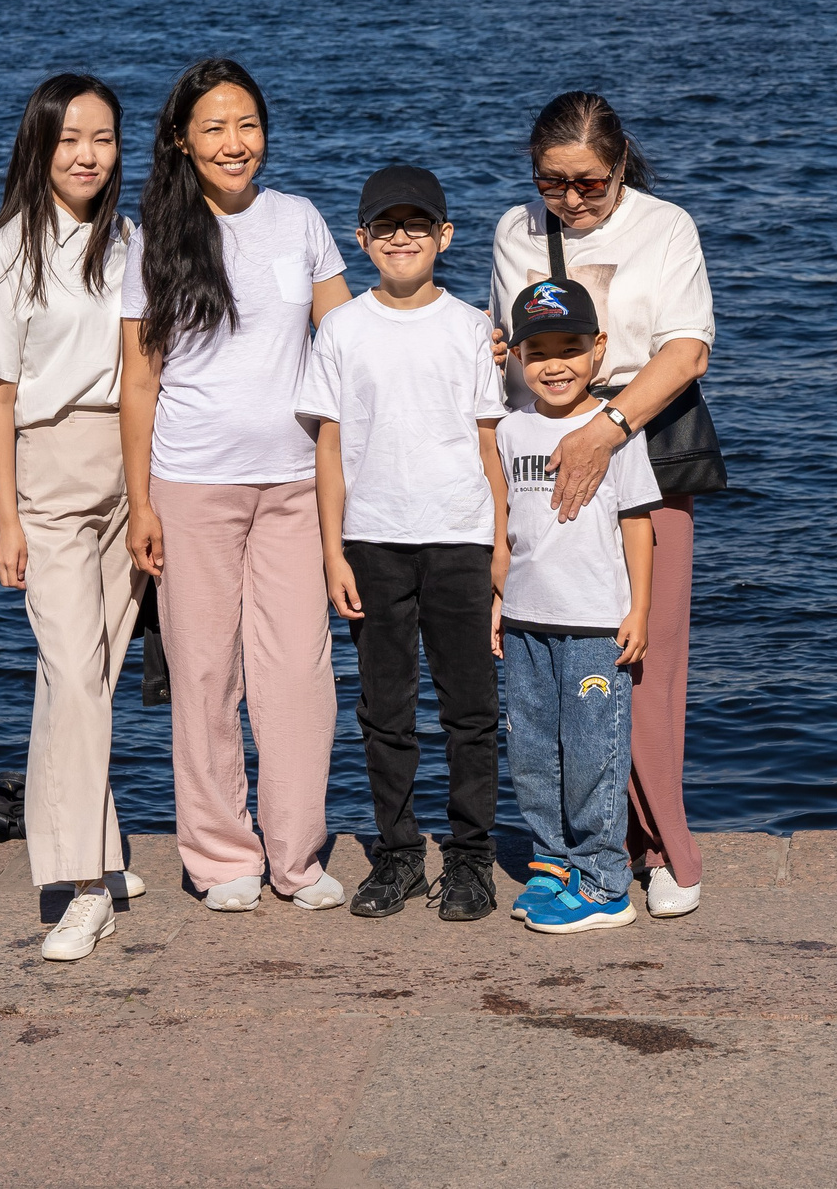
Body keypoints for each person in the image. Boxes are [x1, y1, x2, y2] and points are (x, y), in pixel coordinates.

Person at [121, 58, 351, 914]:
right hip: (191, 486)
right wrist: (141, 501)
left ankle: (296, 856)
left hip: (295, 484)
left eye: (246, 124)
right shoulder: (152, 238)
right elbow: (138, 382)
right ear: (182, 139)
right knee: (206, 672)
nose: (233, 142)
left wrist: (459, 336)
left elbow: (347, 335)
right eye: (214, 127)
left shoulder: (300, 220)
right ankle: (223, 858)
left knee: (298, 671)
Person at [491, 92, 718, 920]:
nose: (573, 200)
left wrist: (608, 430)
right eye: (554, 183)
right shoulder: (515, 228)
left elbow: (688, 348)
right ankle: (597, 846)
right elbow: (506, 349)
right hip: (540, 458)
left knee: (642, 657)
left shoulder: (666, 226)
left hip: (640, 442)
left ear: (620, 162)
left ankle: (665, 846)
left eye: (589, 182)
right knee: (554, 670)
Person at [0, 73, 146, 962]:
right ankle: (82, 886)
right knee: (72, 671)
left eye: (103, 139)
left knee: (88, 676)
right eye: (70, 138)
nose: (86, 154)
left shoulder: (128, 242)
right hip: (50, 470)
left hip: (129, 465)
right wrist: (7, 520)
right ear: (39, 144)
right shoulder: (11, 250)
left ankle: (97, 851)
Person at [295, 165, 508, 924]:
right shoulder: (343, 328)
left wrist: (501, 549)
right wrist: (332, 551)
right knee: (384, 709)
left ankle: (473, 858)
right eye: (386, 226)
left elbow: (490, 448)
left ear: (445, 237)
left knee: (470, 709)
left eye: (419, 224)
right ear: (362, 240)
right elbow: (329, 447)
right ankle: (397, 854)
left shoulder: (470, 329)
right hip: (373, 543)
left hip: (458, 539)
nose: (403, 237)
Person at [494, 277, 660, 935]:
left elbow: (638, 523)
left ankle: (605, 882)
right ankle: (552, 861)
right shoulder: (511, 430)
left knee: (593, 752)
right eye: (538, 351)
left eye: (569, 347)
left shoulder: (615, 430)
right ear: (517, 358)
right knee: (532, 752)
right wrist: (497, 604)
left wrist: (639, 608)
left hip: (593, 623)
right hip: (526, 622)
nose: (554, 364)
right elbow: (507, 528)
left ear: (597, 349)